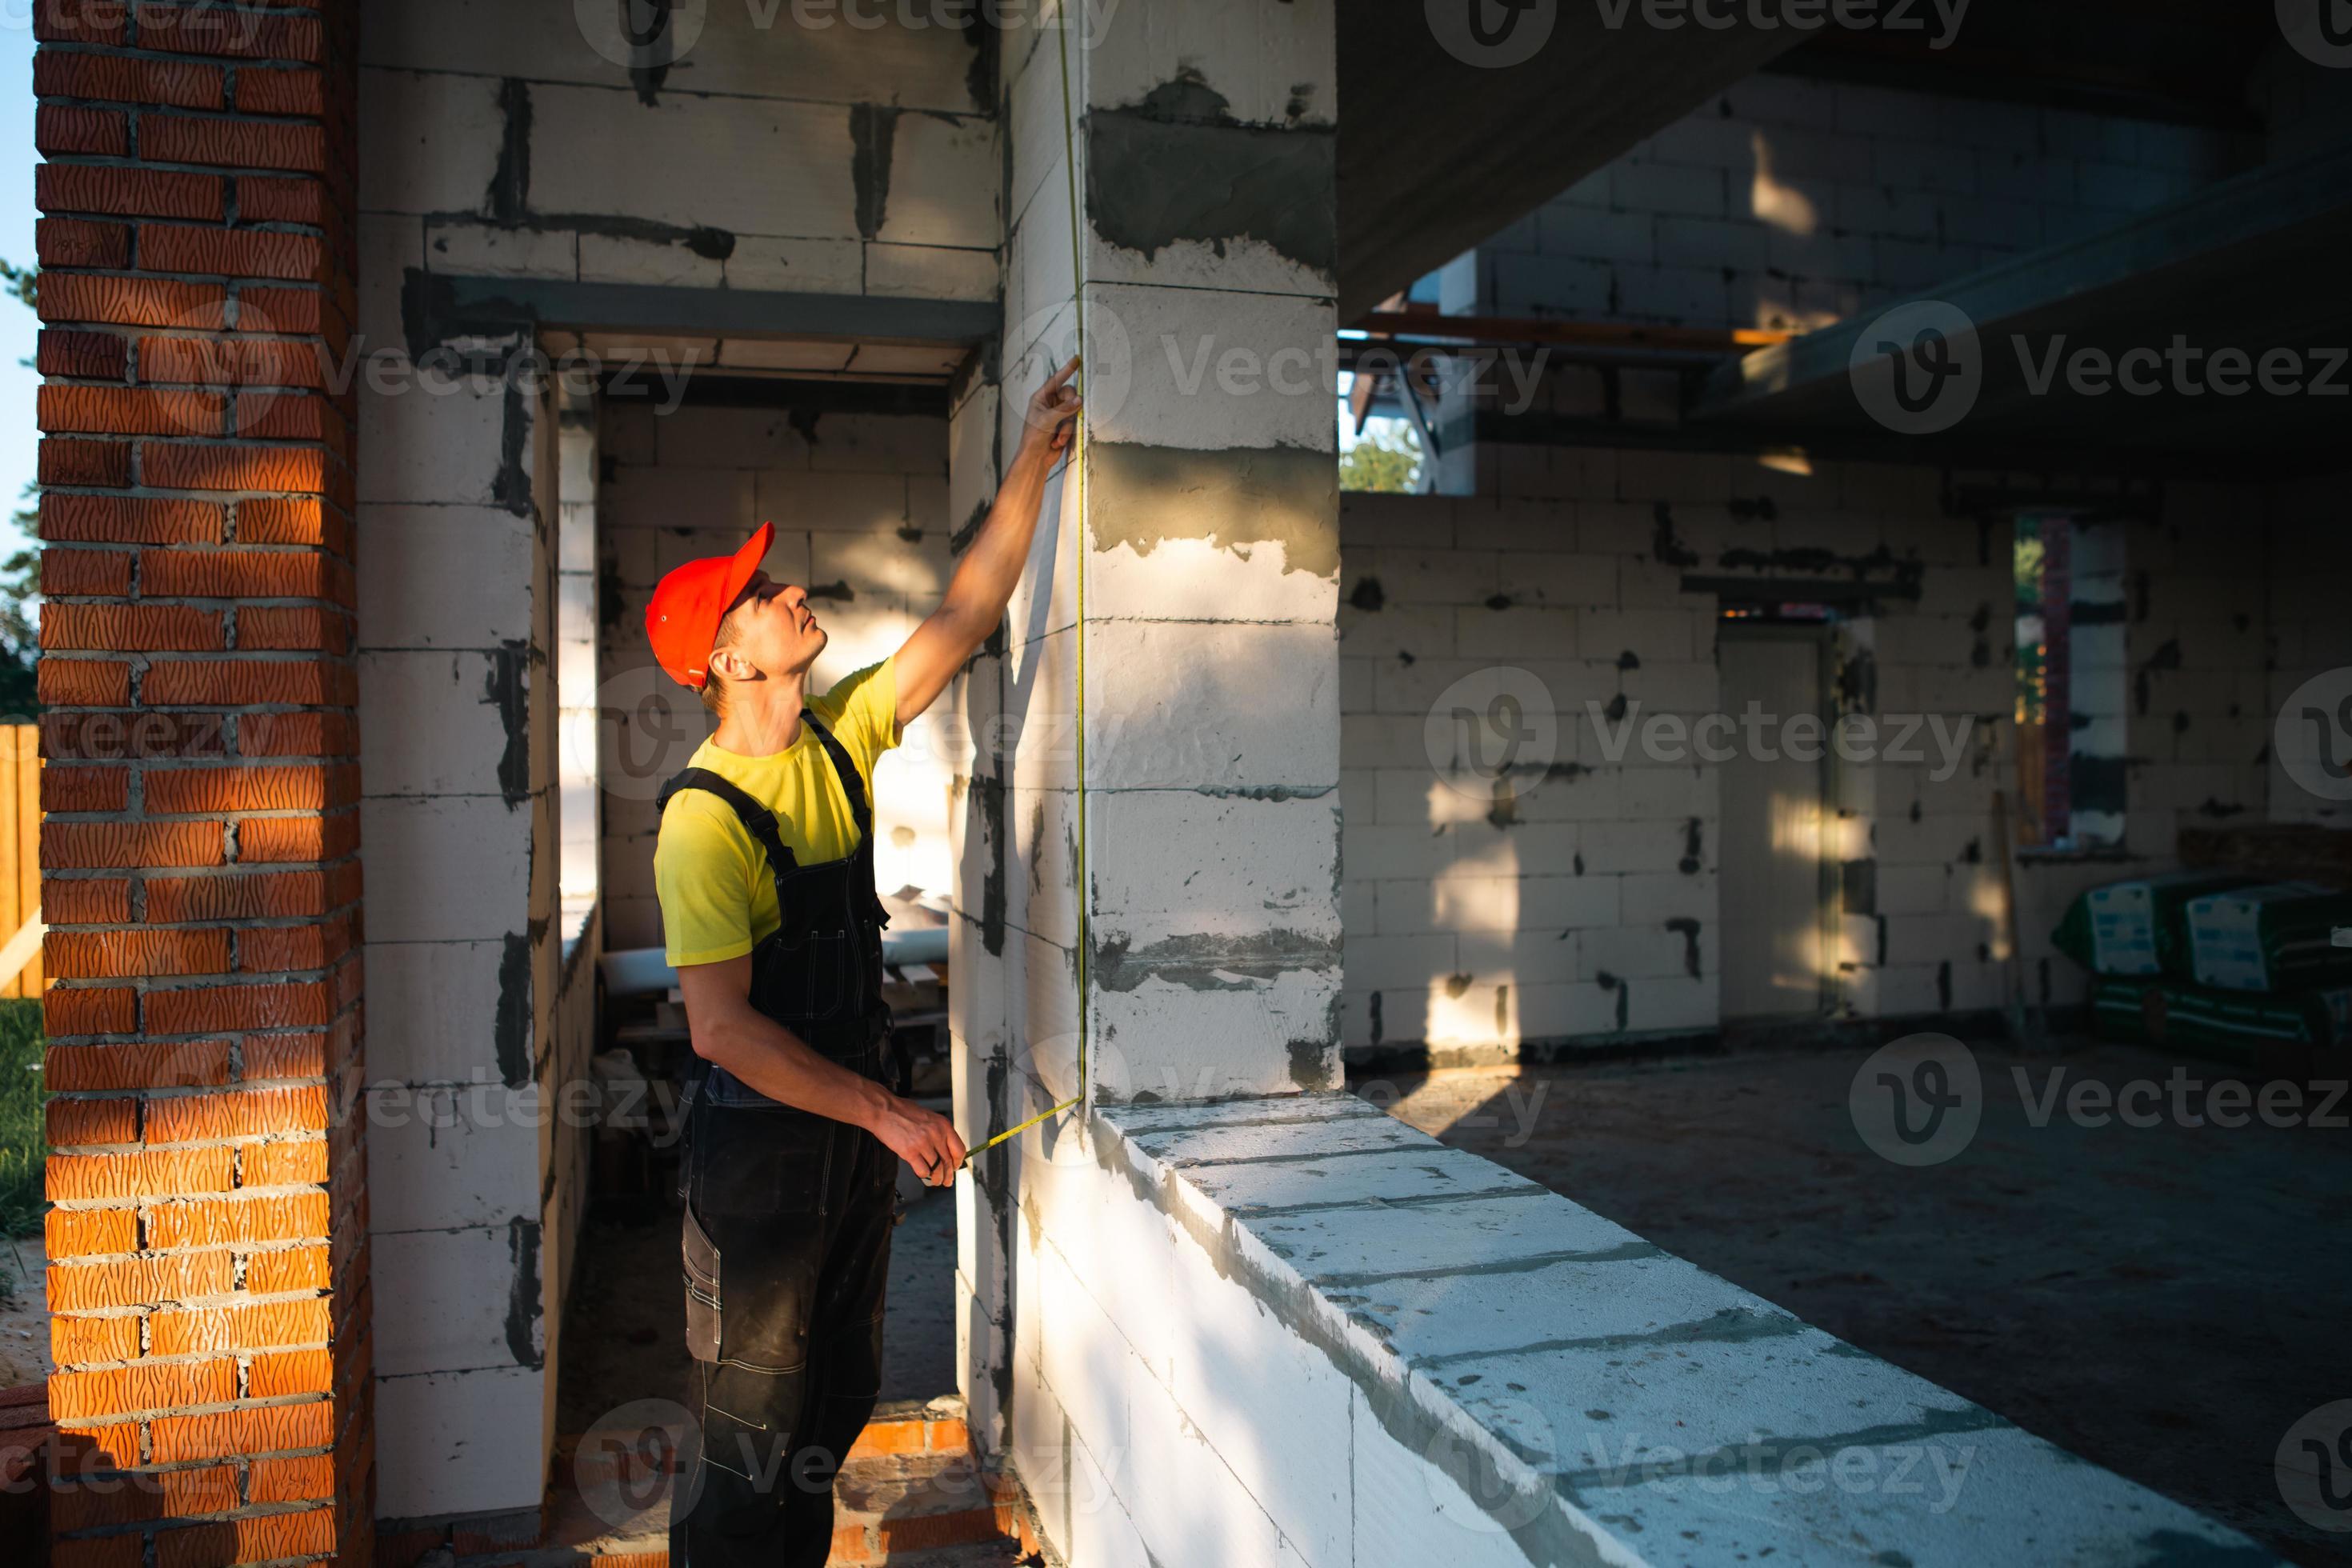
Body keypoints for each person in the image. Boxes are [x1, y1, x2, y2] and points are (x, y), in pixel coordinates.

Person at [645, 356, 1081, 1566]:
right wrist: (887, 1114)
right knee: (749, 1439)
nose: (789, 592)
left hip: (844, 1145)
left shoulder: (839, 741)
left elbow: (967, 614)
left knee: (830, 1414)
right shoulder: (705, 817)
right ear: (726, 662)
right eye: (760, 595)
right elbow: (724, 1031)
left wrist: (1038, 453)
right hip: (763, 1163)